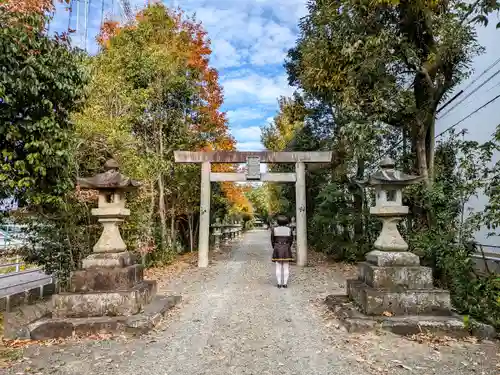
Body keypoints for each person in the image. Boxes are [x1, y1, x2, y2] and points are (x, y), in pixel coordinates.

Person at [271, 215, 294, 288]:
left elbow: (272, 240)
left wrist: (275, 247)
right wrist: (287, 246)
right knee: (286, 267)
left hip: (277, 247)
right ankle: (285, 284)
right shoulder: (289, 230)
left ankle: (278, 284)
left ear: (278, 222)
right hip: (286, 247)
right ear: (286, 222)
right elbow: (291, 240)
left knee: (278, 267)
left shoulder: (274, 230)